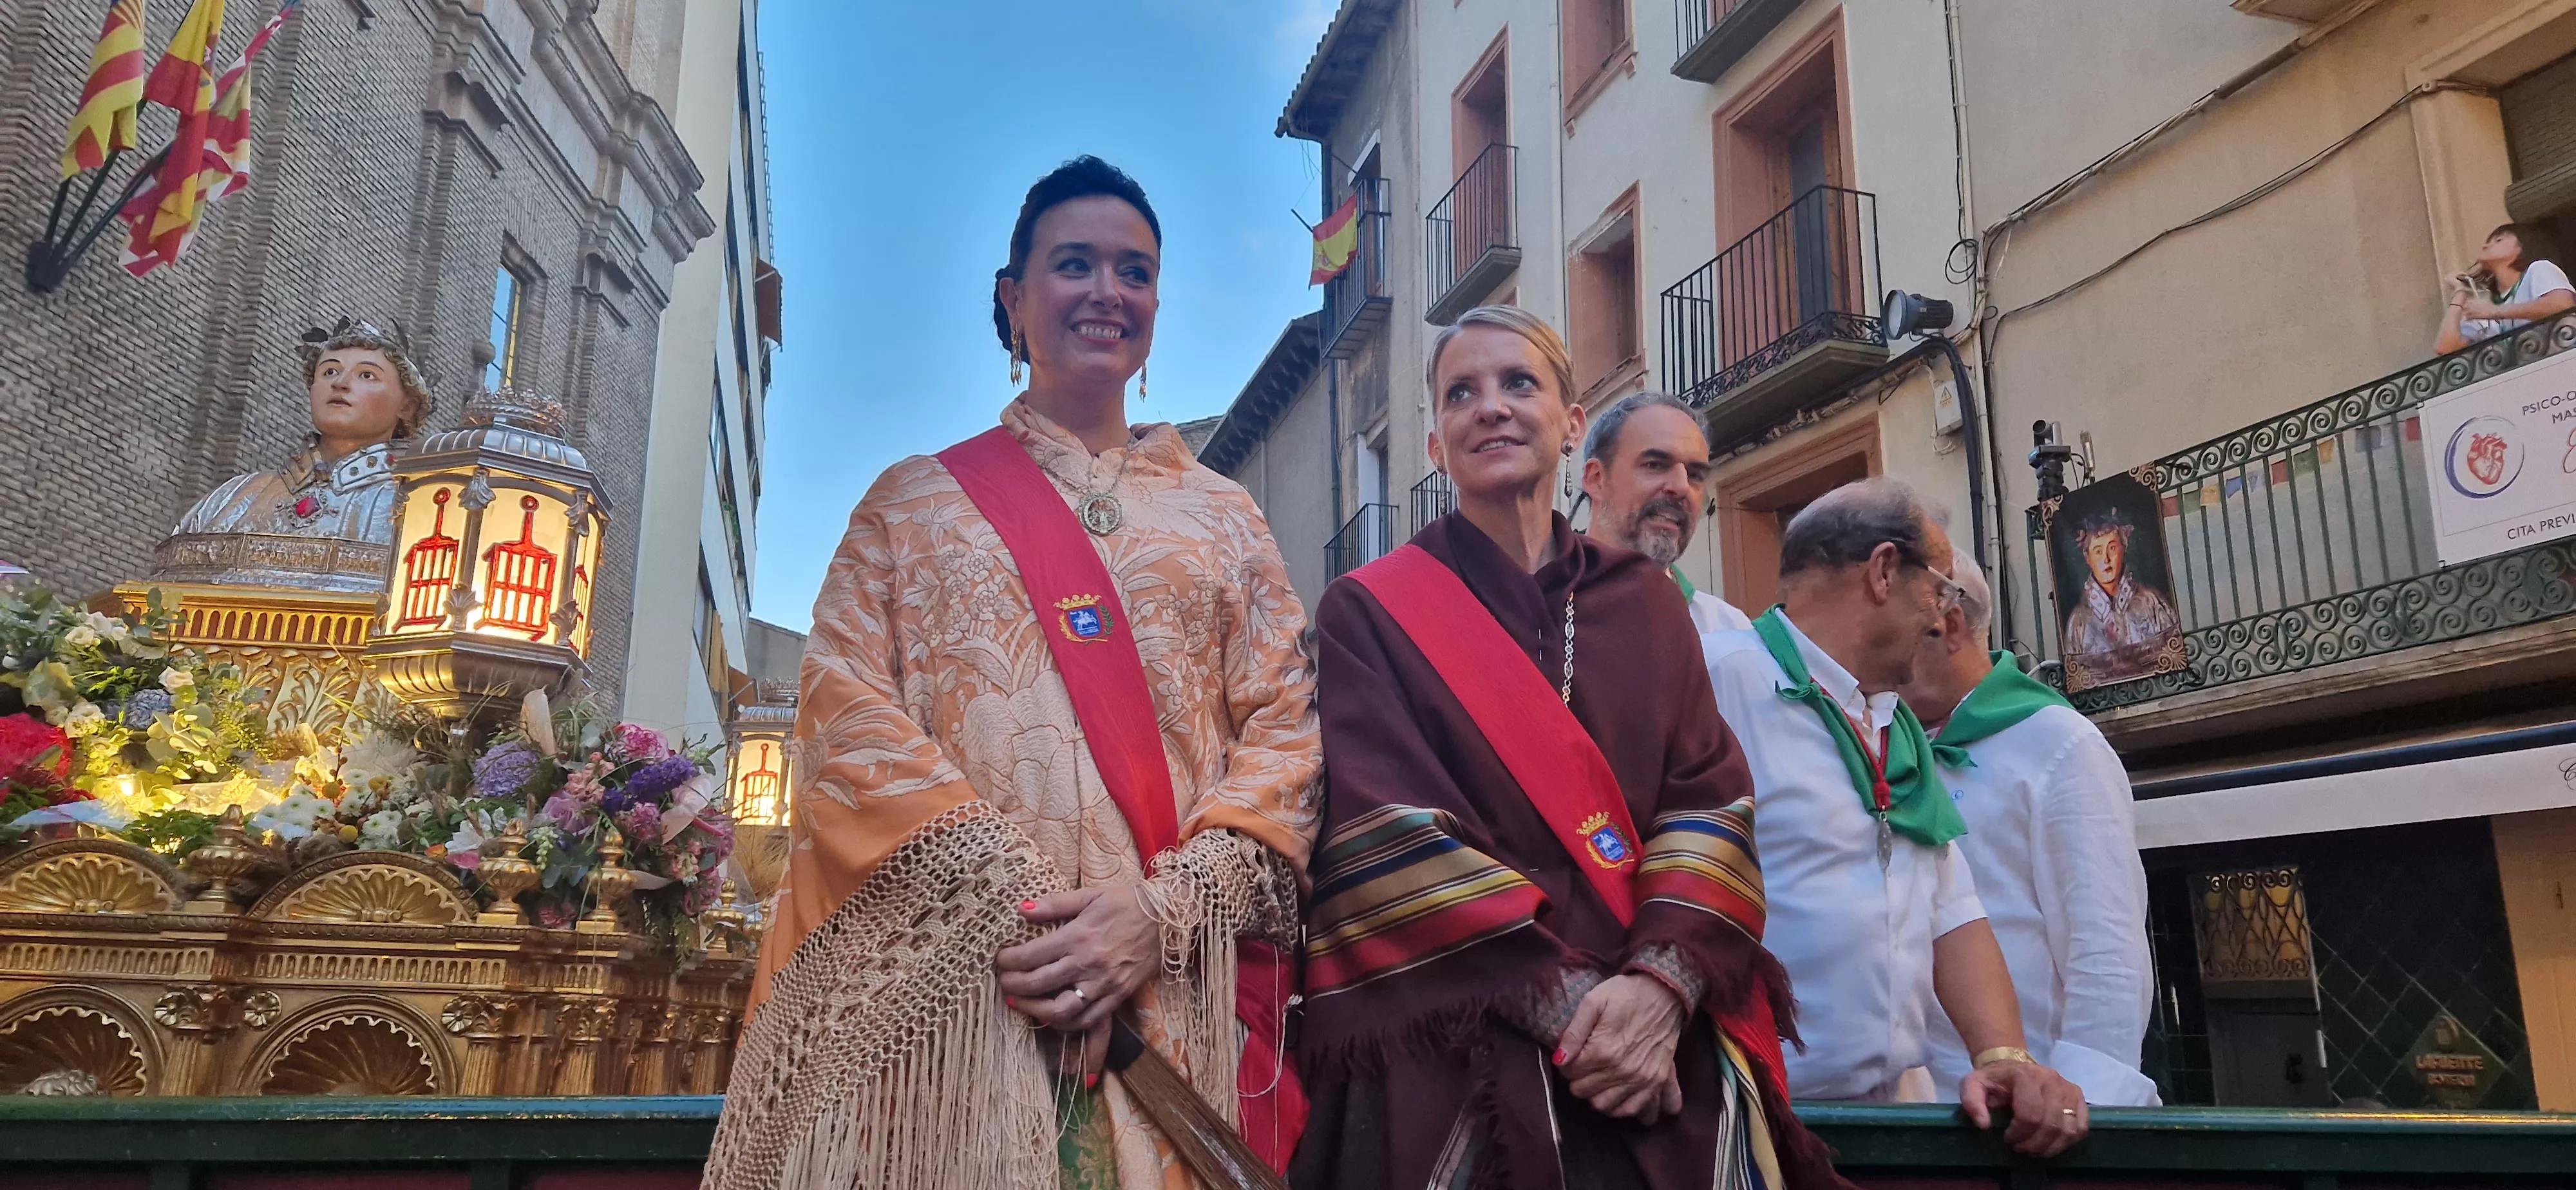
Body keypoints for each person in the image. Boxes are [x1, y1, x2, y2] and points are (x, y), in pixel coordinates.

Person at [705, 156, 1322, 1190]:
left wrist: (1154, 917)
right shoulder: (912, 507)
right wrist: (1025, 920)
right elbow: (845, 718)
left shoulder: (1226, 518)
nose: (1106, 292)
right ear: (1014, 299)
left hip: (1171, 1005)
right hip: (965, 1011)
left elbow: (1285, 738)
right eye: (1074, 264)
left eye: (1135, 272)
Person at [1293, 307, 1842, 1190]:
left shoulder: (1648, 601)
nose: (1491, 406)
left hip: (1656, 1027)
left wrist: (1661, 987)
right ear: (1435, 445)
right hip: (1468, 1043)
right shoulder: (1368, 612)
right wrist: (1574, 1010)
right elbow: (1380, 832)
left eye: (1519, 383)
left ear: (1571, 423)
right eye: (1461, 393)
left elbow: (1709, 801)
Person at [1700, 478, 2090, 1158]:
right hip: (1749, 1117)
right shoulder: (1719, 680)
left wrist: (2002, 1055)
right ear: (1883, 572)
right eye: (1938, 591)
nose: (1942, 621)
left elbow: (1951, 907)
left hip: (1889, 1116)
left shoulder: (1893, 722)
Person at [1897, 550, 2159, 1107]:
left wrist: (2083, 1104)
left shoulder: (2061, 745)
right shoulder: (1888, 747)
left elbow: (2105, 952)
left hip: (2023, 1115)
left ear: (1949, 627)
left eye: (1894, 630)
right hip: (1908, 1106)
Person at [153, 319, 431, 593]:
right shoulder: (228, 499)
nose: (341, 383)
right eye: (330, 372)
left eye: (367, 375)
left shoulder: (425, 507)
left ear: (407, 407)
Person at [1579, 390, 1756, 635]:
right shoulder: (1537, 610)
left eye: (1695, 475)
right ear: (1597, 479)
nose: (1682, 487)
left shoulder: (1730, 633)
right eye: (1655, 465)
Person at [2058, 506, 2180, 685]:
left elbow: (2173, 655)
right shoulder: (2079, 622)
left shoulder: (2151, 602)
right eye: (2098, 551)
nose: (2106, 559)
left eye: (2112, 548)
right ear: (2088, 558)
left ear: (2124, 548)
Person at [2437, 222, 2575, 354]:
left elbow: (2563, 305)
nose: (2485, 246)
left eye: (2498, 240)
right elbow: (2446, 347)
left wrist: (2495, 312)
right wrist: (2460, 292)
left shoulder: (2539, 268)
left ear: (2521, 248)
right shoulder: (2487, 303)